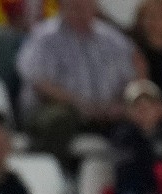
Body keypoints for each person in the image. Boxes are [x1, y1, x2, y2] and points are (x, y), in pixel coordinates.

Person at [15, 0, 136, 157]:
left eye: (86, 5)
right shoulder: (45, 37)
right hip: (58, 108)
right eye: (75, 6)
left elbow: (134, 72)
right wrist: (80, 105)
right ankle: (59, 176)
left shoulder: (112, 39)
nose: (81, 10)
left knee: (140, 119)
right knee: (58, 121)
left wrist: (120, 105)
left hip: (106, 112)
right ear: (62, 6)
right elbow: (38, 82)